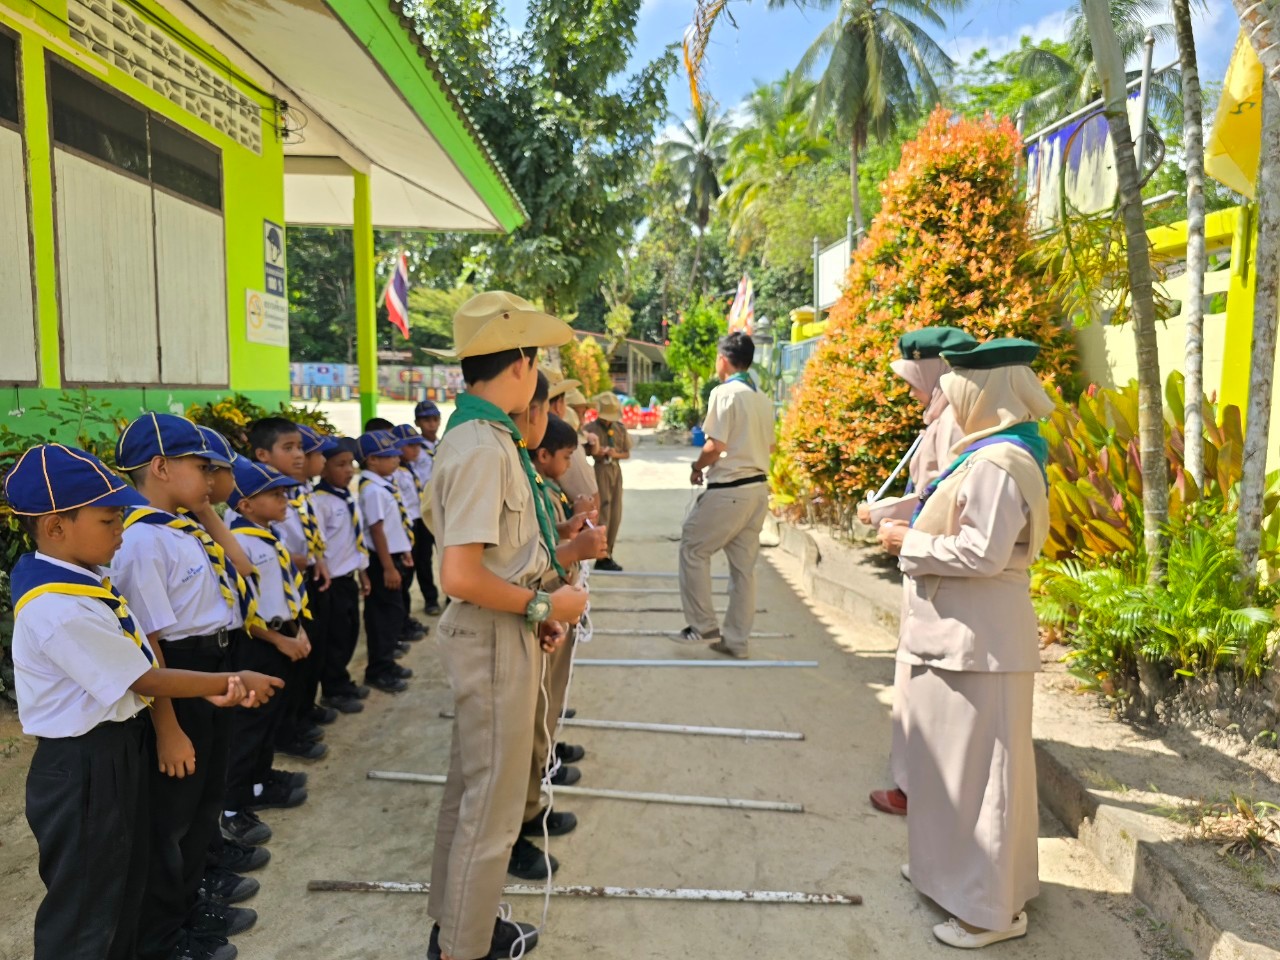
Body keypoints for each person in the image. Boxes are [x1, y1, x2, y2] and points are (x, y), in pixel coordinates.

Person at [7, 443, 281, 960]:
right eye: (109, 520)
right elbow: (145, 678)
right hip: (85, 766)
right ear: (56, 527)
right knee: (88, 909)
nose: (120, 530)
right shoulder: (57, 608)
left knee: (125, 882)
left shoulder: (83, 582)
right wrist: (227, 680)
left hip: (115, 747)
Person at [426, 291, 588, 960]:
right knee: (490, 812)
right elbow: (460, 574)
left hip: (503, 629)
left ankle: (459, 925)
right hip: (493, 635)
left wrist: (536, 605)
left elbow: (499, 559)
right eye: (537, 361)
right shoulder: (481, 447)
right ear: (521, 363)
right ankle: (462, 947)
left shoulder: (487, 439)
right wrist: (544, 607)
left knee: (473, 795)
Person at [876, 338, 1053, 949]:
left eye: (959, 391)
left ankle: (989, 912)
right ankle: (950, 878)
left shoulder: (1001, 463)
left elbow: (984, 552)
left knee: (985, 782)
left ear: (985, 393)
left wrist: (909, 543)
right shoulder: (989, 452)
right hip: (964, 634)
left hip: (983, 639)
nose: (949, 403)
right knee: (951, 771)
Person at [110, 413, 260, 960]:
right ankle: (162, 938)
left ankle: (193, 905)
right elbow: (149, 642)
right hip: (177, 672)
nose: (212, 480)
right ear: (160, 467)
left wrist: (203, 506)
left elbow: (242, 568)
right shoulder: (142, 541)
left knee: (203, 801)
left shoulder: (181, 526)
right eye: (201, 467)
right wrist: (168, 726)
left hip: (208, 665)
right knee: (172, 815)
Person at [858, 327, 976, 818]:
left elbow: (941, 501)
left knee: (923, 683)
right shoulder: (941, 418)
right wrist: (886, 512)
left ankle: (918, 788)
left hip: (934, 564)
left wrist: (893, 520)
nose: (909, 391)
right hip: (925, 558)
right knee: (916, 678)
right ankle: (917, 782)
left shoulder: (952, 424)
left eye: (913, 379)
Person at [511, 414, 607, 882]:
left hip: (547, 606)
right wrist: (571, 548)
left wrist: (571, 530)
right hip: (533, 607)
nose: (570, 465)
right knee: (524, 726)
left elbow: (546, 543)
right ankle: (517, 823)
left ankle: (530, 804)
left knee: (542, 710)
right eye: (567, 457)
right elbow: (527, 562)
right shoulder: (513, 480)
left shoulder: (539, 486)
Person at [221, 458, 315, 849]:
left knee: (269, 718)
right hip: (258, 643)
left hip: (282, 635)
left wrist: (298, 629)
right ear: (245, 504)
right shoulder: (237, 544)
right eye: (274, 494)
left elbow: (282, 591)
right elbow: (241, 610)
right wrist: (280, 640)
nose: (284, 500)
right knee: (249, 725)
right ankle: (232, 807)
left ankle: (260, 782)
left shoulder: (266, 535)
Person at [673, 331, 775, 659]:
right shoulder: (763, 399)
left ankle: (702, 624)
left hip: (730, 488)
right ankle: (736, 641)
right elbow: (770, 446)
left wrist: (697, 466)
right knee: (743, 569)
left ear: (723, 360)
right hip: (757, 489)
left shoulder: (724, 393)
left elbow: (715, 445)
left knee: (693, 547)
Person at [248, 418, 327, 762]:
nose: (299, 455)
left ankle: (298, 718)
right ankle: (284, 735)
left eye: (301, 448)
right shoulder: (252, 503)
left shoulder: (296, 491)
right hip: (270, 616)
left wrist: (316, 559)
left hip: (296, 592)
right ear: (263, 454)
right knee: (274, 687)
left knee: (304, 664)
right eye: (289, 448)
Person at [312, 438, 373, 713]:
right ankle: (333, 689)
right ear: (323, 468)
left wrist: (363, 573)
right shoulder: (319, 501)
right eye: (340, 464)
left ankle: (343, 680)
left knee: (349, 633)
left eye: (351, 464)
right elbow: (317, 545)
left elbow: (353, 541)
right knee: (334, 639)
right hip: (331, 582)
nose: (349, 470)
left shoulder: (346, 496)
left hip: (348, 577)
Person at [357, 430, 415, 694]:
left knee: (393, 614)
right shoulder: (372, 491)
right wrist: (389, 567)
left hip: (391, 555)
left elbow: (392, 526)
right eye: (389, 456)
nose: (396, 459)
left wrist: (404, 550)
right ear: (372, 460)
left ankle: (387, 662)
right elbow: (377, 530)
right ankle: (378, 670)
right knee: (383, 616)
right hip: (382, 561)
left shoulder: (382, 485)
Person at [389, 423, 431, 639]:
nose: (416, 450)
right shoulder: (395, 473)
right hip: (407, 526)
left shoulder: (410, 468)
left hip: (419, 521)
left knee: (419, 566)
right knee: (404, 578)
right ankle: (399, 625)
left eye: (418, 445)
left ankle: (404, 620)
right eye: (410, 446)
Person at [584, 392, 629, 571]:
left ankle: (608, 552)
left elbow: (627, 453)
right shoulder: (590, 429)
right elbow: (584, 451)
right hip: (600, 469)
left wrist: (614, 453)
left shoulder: (620, 428)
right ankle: (601, 555)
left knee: (615, 513)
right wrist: (597, 451)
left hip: (615, 470)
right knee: (603, 512)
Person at [411, 401, 443, 615]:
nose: (431, 424)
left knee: (448, 555)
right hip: (422, 511)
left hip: (443, 509)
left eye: (434, 419)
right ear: (417, 423)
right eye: (426, 420)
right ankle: (430, 599)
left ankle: (453, 595)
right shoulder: (415, 451)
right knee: (423, 558)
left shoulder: (444, 446)